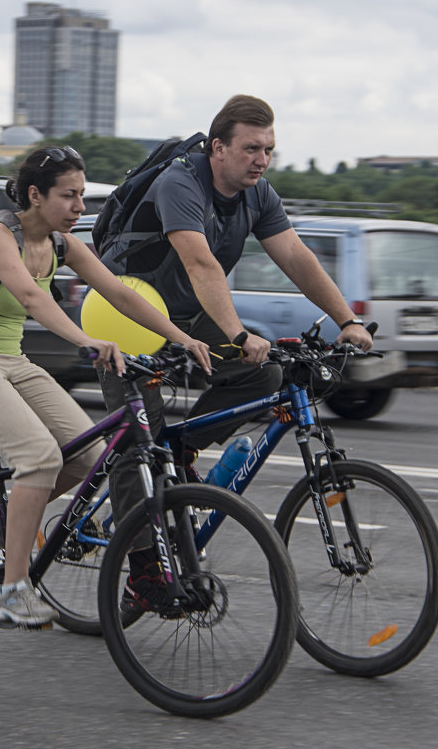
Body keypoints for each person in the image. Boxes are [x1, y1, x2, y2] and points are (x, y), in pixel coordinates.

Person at [97, 94, 374, 615]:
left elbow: (295, 256)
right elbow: (201, 264)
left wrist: (348, 320)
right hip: (129, 312)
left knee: (264, 376)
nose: (261, 160)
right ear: (218, 148)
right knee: (140, 445)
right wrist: (239, 333)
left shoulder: (258, 194)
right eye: (251, 148)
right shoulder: (180, 182)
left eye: (269, 149)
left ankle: (183, 450)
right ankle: (143, 572)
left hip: (190, 313)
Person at [0, 145, 212, 629]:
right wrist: (87, 340)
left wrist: (183, 338)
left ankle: (12, 514)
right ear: (35, 195)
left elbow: (118, 291)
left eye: (82, 195)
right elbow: (33, 298)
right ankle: (12, 591)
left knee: (90, 455)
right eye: (69, 196)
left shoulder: (61, 244)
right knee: (38, 456)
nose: (80, 207)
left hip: (10, 361)